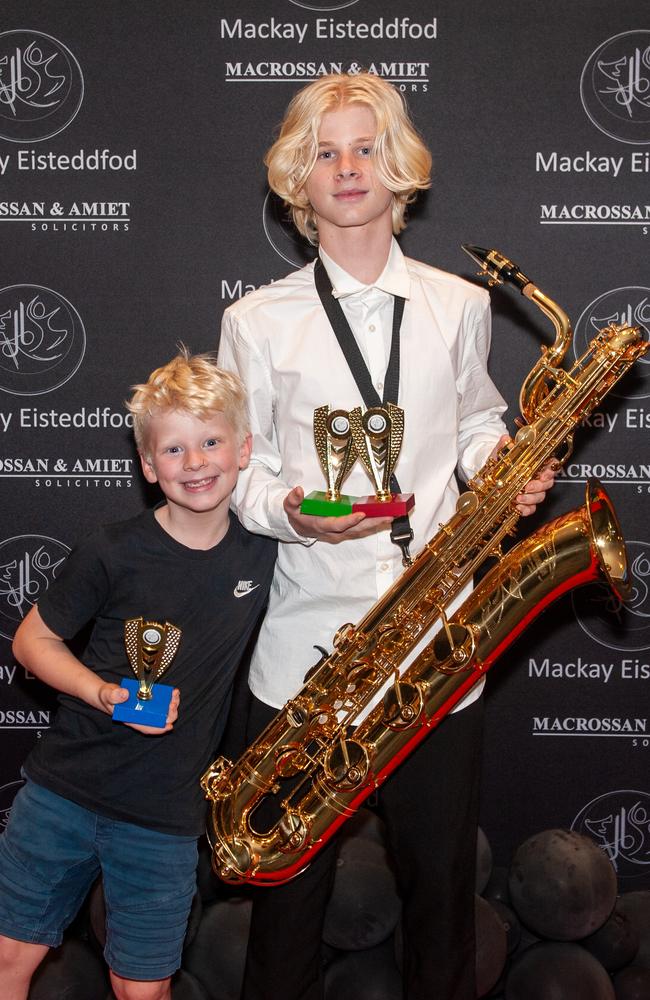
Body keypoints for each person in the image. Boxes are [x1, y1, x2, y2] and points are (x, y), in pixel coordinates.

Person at [218, 73, 555, 1000]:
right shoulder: (255, 321)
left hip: (437, 650)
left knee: (443, 900)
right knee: (286, 910)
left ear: (398, 168)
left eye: (365, 147)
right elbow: (239, 471)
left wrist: (500, 467)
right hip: (305, 658)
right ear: (299, 178)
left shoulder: (459, 304)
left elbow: (479, 422)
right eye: (325, 152)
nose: (348, 166)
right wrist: (293, 511)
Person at [0, 349, 277, 1000]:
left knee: (143, 989)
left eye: (211, 441)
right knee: (11, 958)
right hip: (63, 792)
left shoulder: (267, 553)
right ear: (149, 465)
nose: (197, 462)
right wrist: (103, 692)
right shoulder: (112, 548)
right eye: (175, 450)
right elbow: (30, 640)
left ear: (244, 449)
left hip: (163, 816)